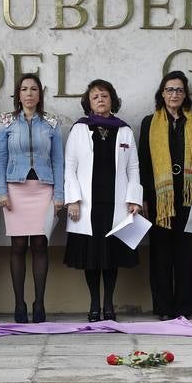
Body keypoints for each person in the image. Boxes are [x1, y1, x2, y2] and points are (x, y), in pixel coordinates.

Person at [64, 78, 142, 321]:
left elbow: (133, 169)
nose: (100, 99)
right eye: (95, 96)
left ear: (112, 100)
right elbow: (70, 166)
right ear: (88, 101)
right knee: (91, 257)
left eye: (105, 96)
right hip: (87, 205)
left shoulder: (125, 130)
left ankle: (109, 304)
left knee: (110, 257)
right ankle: (94, 304)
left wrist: (134, 199)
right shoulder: (80, 129)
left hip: (116, 204)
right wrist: (73, 200)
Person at [139, 70, 192, 320]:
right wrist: (143, 198)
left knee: (185, 255)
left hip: (189, 196)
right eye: (169, 90)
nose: (174, 94)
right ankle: (163, 308)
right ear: (162, 93)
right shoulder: (150, 122)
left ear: (185, 94)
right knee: (160, 255)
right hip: (160, 198)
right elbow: (144, 163)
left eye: (179, 90)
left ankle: (183, 307)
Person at [0, 72, 65, 323]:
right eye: (24, 89)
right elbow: (0, 158)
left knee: (39, 245)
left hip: (44, 188)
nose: (29, 94)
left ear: (40, 94)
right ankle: (19, 304)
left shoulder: (52, 123)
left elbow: (59, 160)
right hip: (15, 188)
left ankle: (39, 304)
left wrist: (59, 195)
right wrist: (1, 192)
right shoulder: (6, 122)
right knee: (18, 246)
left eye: (33, 89)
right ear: (18, 94)